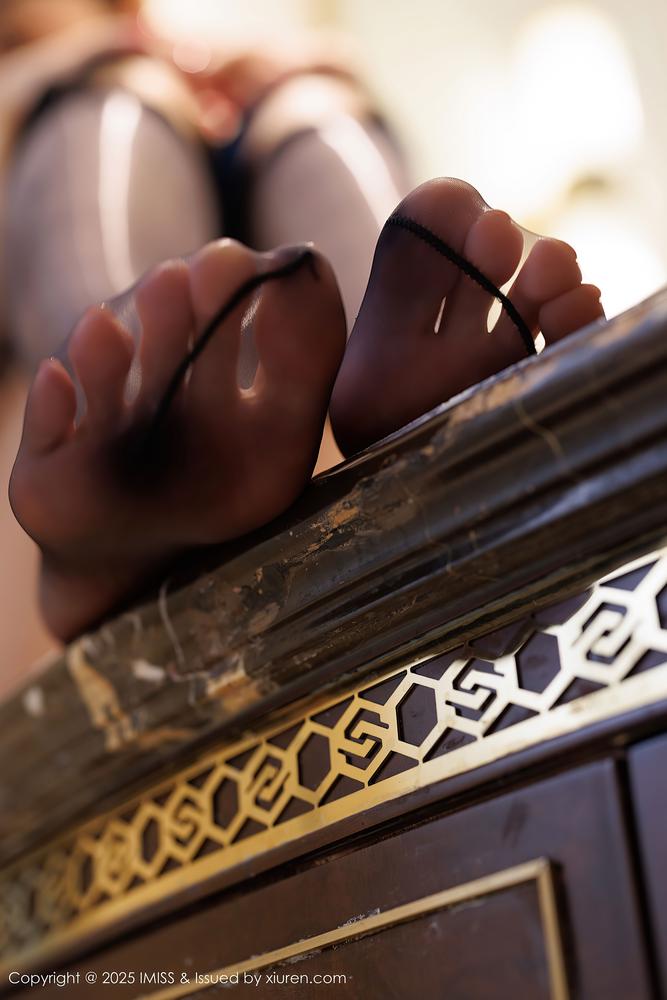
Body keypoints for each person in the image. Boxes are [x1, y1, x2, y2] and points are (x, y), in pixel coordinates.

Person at [2, 2, 604, 645]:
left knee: (312, 106)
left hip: (240, 120)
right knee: (105, 107)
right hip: (79, 120)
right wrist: (97, 63)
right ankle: (123, 425)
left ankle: (390, 399)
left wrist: (286, 74)